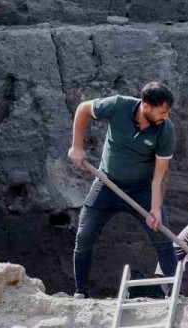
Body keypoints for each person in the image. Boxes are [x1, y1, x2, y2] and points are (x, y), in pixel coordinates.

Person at [67, 81, 177, 299]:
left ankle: (174, 295)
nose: (165, 116)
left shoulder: (165, 130)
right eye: (162, 111)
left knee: (163, 239)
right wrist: (77, 145)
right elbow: (83, 109)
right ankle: (80, 292)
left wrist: (155, 208)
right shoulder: (118, 106)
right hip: (107, 184)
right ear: (146, 105)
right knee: (84, 235)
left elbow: (159, 175)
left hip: (142, 189)